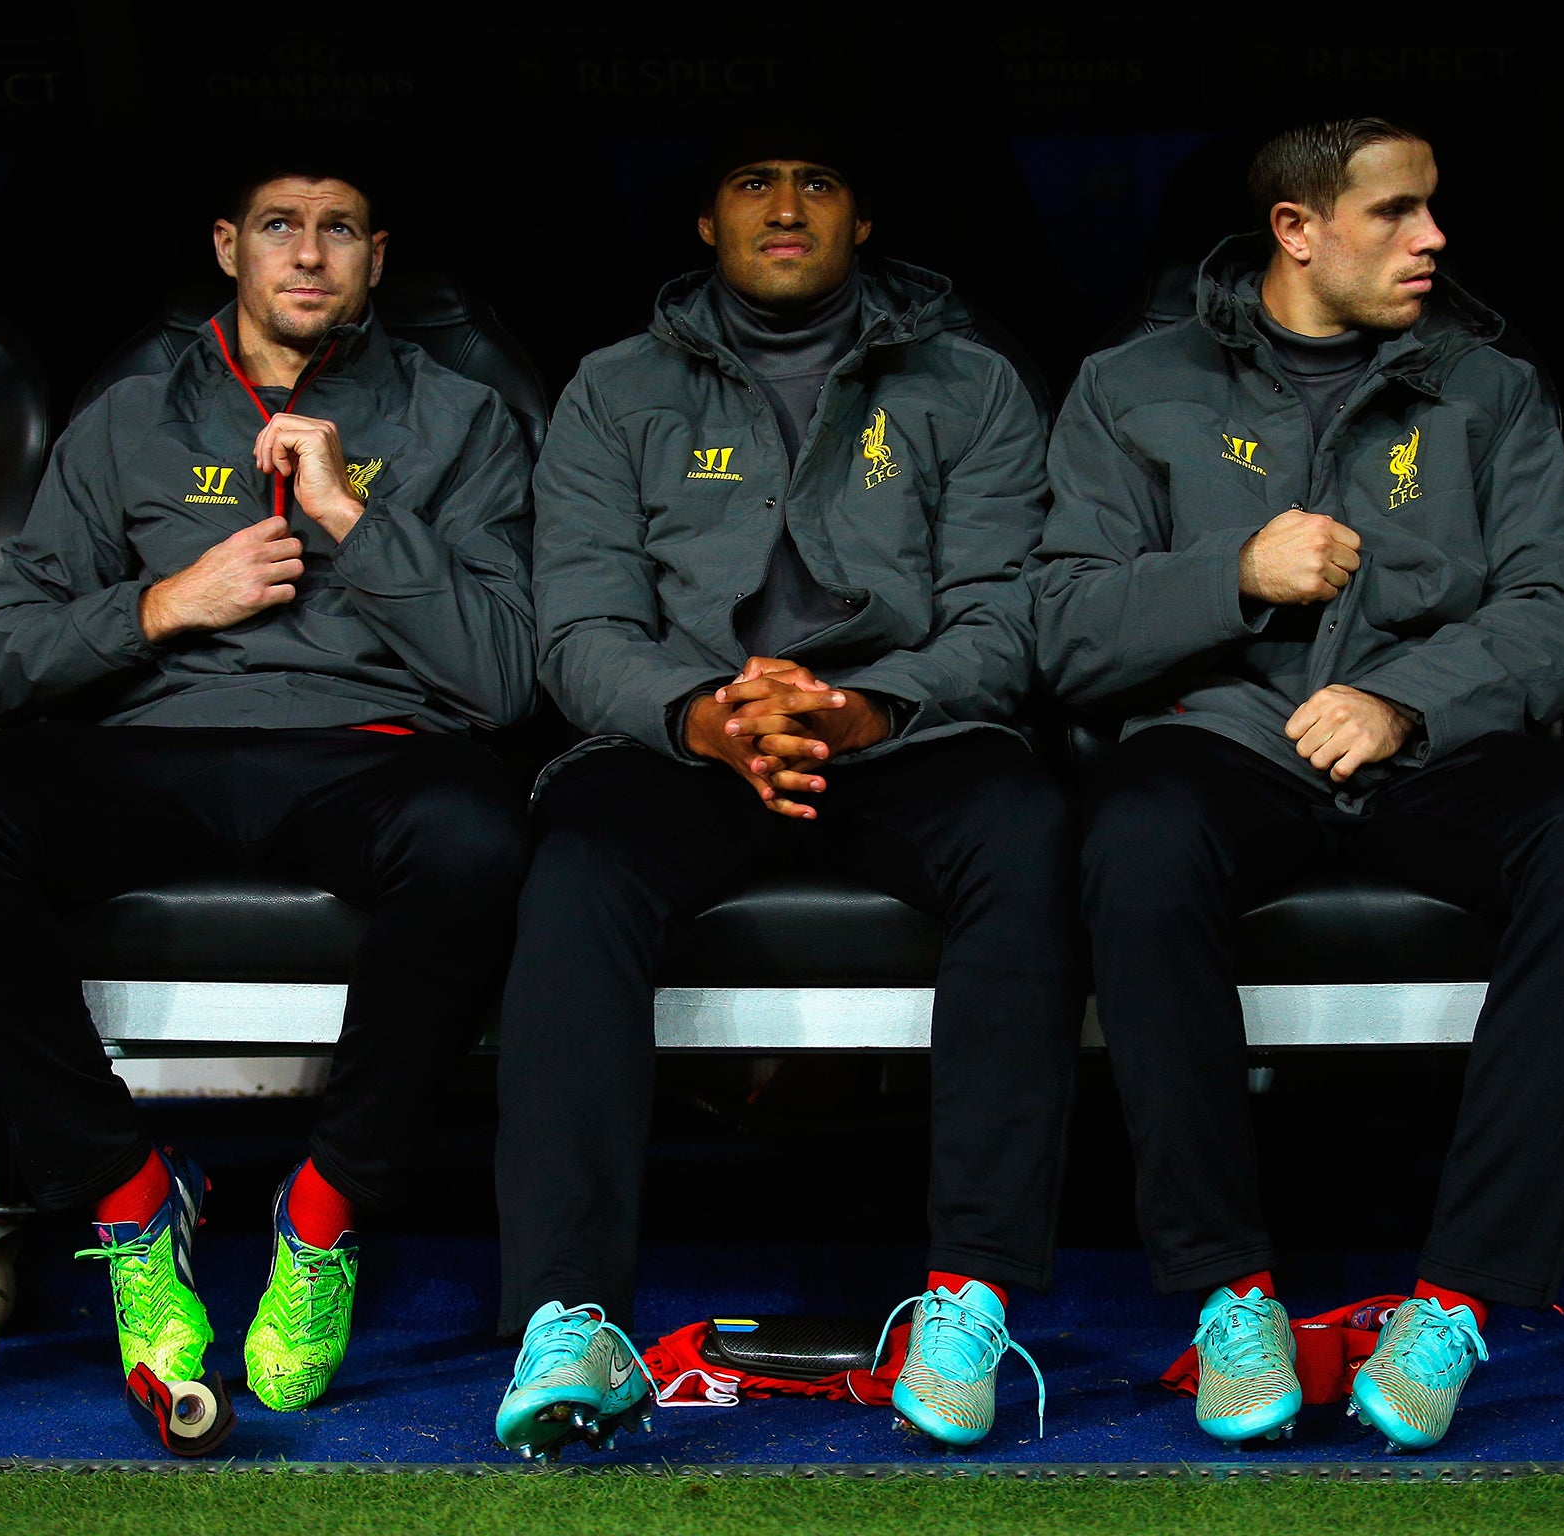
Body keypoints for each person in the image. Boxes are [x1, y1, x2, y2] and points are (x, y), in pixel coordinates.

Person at [1035, 117, 1564, 1452]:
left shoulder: (1486, 384)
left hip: (1441, 749)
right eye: (1395, 214)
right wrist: (1233, 578)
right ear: (1298, 231)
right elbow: (1062, 629)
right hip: (1228, 743)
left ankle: (1458, 1298)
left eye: (1432, 210)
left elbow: (1563, 612)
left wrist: (1408, 702)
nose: (1432, 239)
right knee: (1133, 843)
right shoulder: (1131, 384)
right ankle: (1227, 1294)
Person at [0, 163, 536, 1414]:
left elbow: (506, 680)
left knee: (479, 830)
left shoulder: (461, 418)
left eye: (338, 231)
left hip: (369, 749)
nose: (308, 254)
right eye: (279, 228)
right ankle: (131, 1197)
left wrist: (353, 516)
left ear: (376, 257)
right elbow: (4, 658)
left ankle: (324, 1211)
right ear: (228, 246)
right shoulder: (128, 415)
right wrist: (166, 606)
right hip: (151, 746)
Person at [490, 125, 1078, 1458]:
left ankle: (969, 1299)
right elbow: (576, 628)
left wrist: (866, 706)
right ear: (707, 221)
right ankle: (569, 1318)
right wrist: (700, 715)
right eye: (754, 183)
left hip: (903, 733)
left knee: (1030, 830)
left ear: (863, 219)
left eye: (819, 182)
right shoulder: (614, 387)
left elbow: (1007, 617)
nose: (787, 208)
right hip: (687, 738)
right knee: (575, 870)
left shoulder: (970, 384)